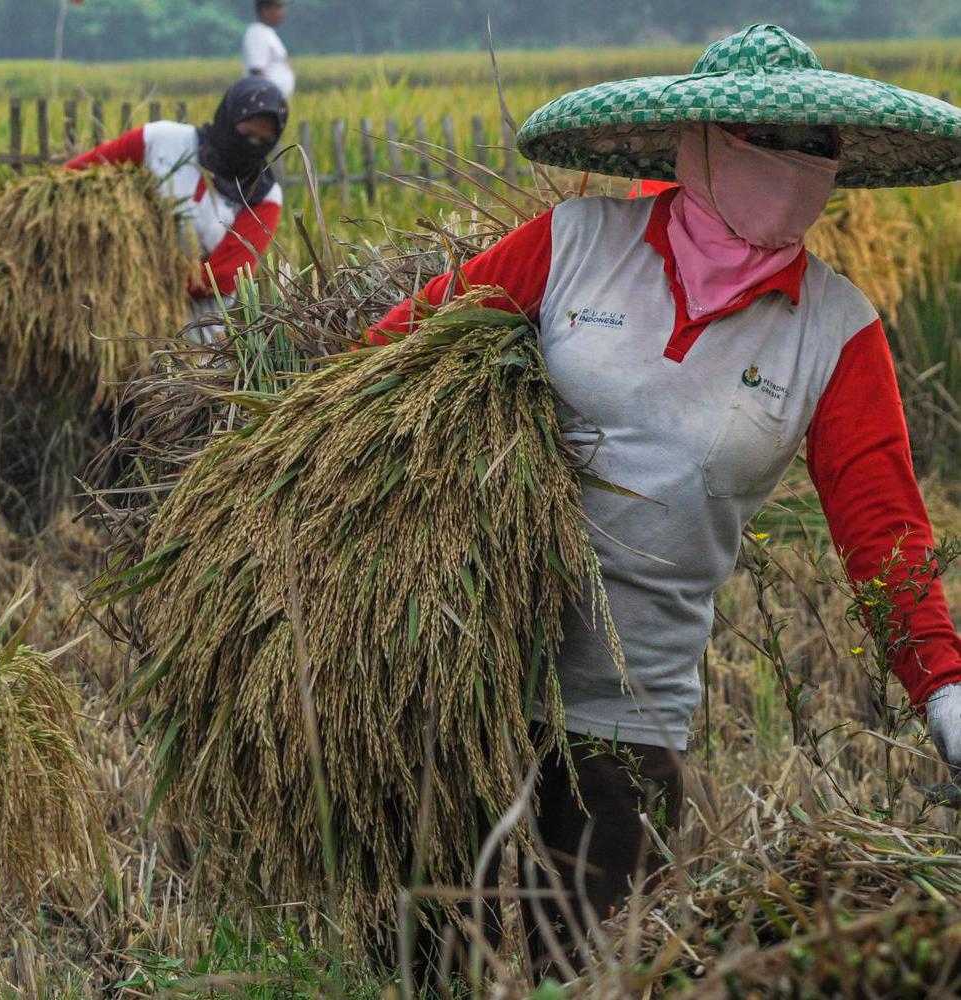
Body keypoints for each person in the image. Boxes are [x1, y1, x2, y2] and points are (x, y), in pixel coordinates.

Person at [368, 23, 961, 971]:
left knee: (599, 967)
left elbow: (884, 525)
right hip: (463, 669)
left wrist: (944, 689)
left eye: (818, 144)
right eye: (768, 138)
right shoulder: (576, 245)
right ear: (696, 145)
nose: (798, 162)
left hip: (629, 708)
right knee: (425, 960)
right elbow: (398, 360)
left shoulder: (838, 331)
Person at [65, 77, 288, 339]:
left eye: (263, 140)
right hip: (111, 309)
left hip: (195, 327)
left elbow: (225, 276)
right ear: (228, 119)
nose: (250, 144)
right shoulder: (159, 140)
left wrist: (145, 289)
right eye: (246, 133)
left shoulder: (264, 194)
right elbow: (77, 175)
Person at [243, 0, 295, 100]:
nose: (283, 12)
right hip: (265, 101)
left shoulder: (266, 32)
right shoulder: (257, 33)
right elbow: (257, 73)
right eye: (279, 6)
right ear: (265, 10)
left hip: (273, 101)